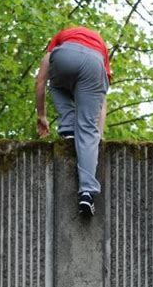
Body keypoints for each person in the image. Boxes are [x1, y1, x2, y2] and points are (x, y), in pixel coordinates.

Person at [35, 26, 111, 216]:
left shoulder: (60, 39)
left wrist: (41, 116)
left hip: (63, 57)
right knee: (87, 128)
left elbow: (40, 81)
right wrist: (97, 137)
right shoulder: (101, 49)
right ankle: (86, 193)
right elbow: (100, 103)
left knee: (56, 84)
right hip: (95, 63)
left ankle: (68, 128)